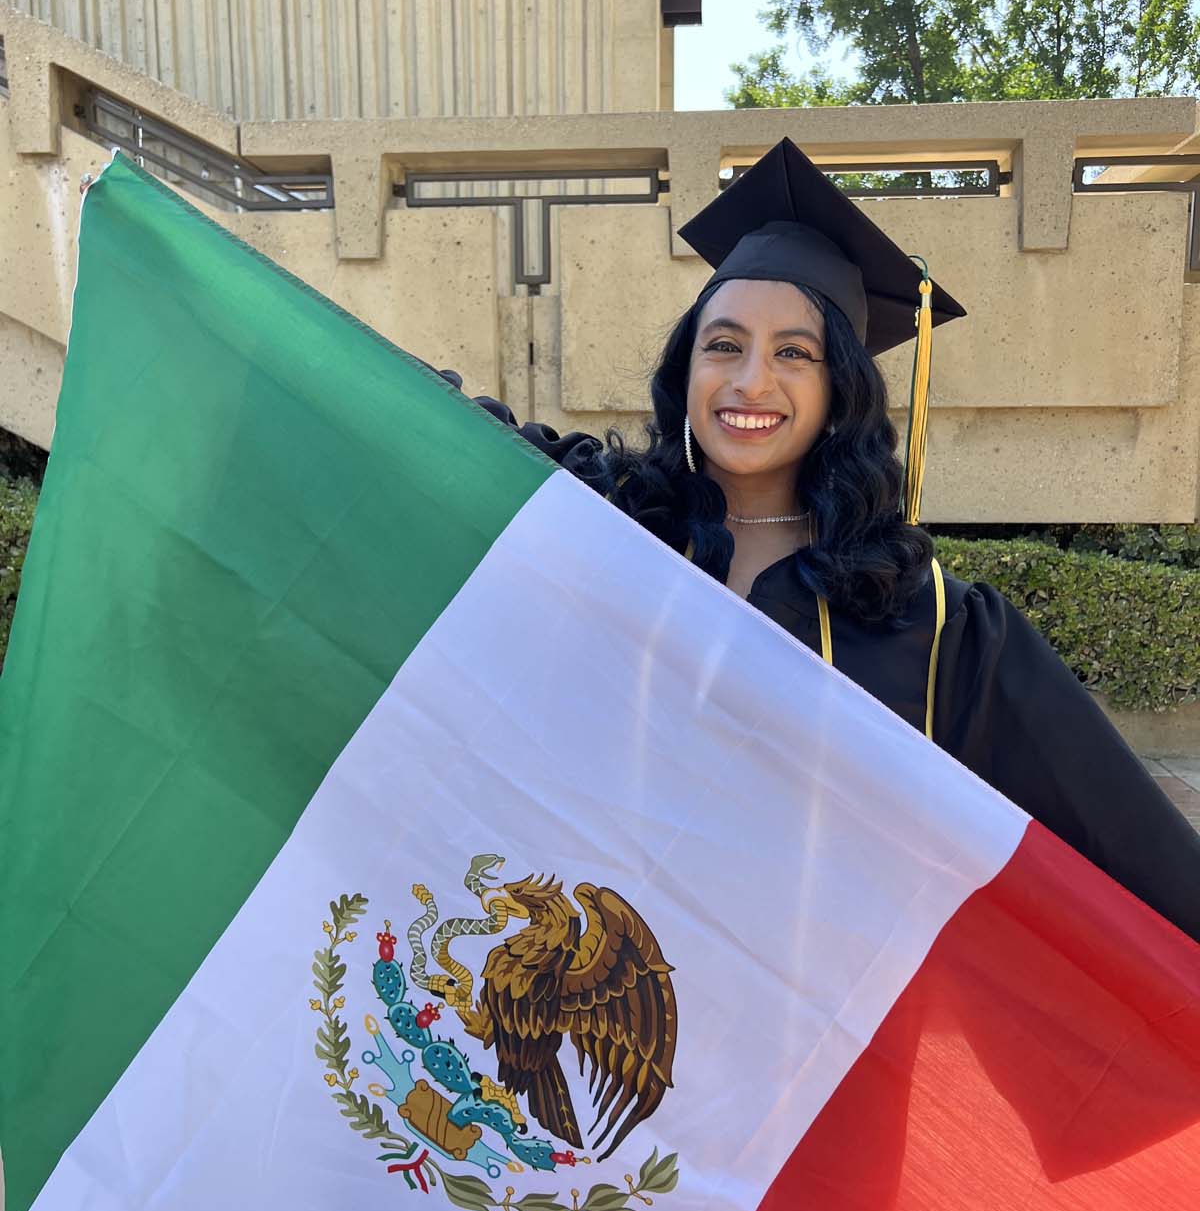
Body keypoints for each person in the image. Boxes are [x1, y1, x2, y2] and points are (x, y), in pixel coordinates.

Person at [450, 137, 1200, 937]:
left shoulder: (936, 630)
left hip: (808, 1035)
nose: (749, 382)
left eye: (794, 354)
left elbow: (1136, 851)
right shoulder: (606, 522)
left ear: (840, 389)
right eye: (724, 344)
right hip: (598, 992)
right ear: (687, 370)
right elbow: (407, 425)